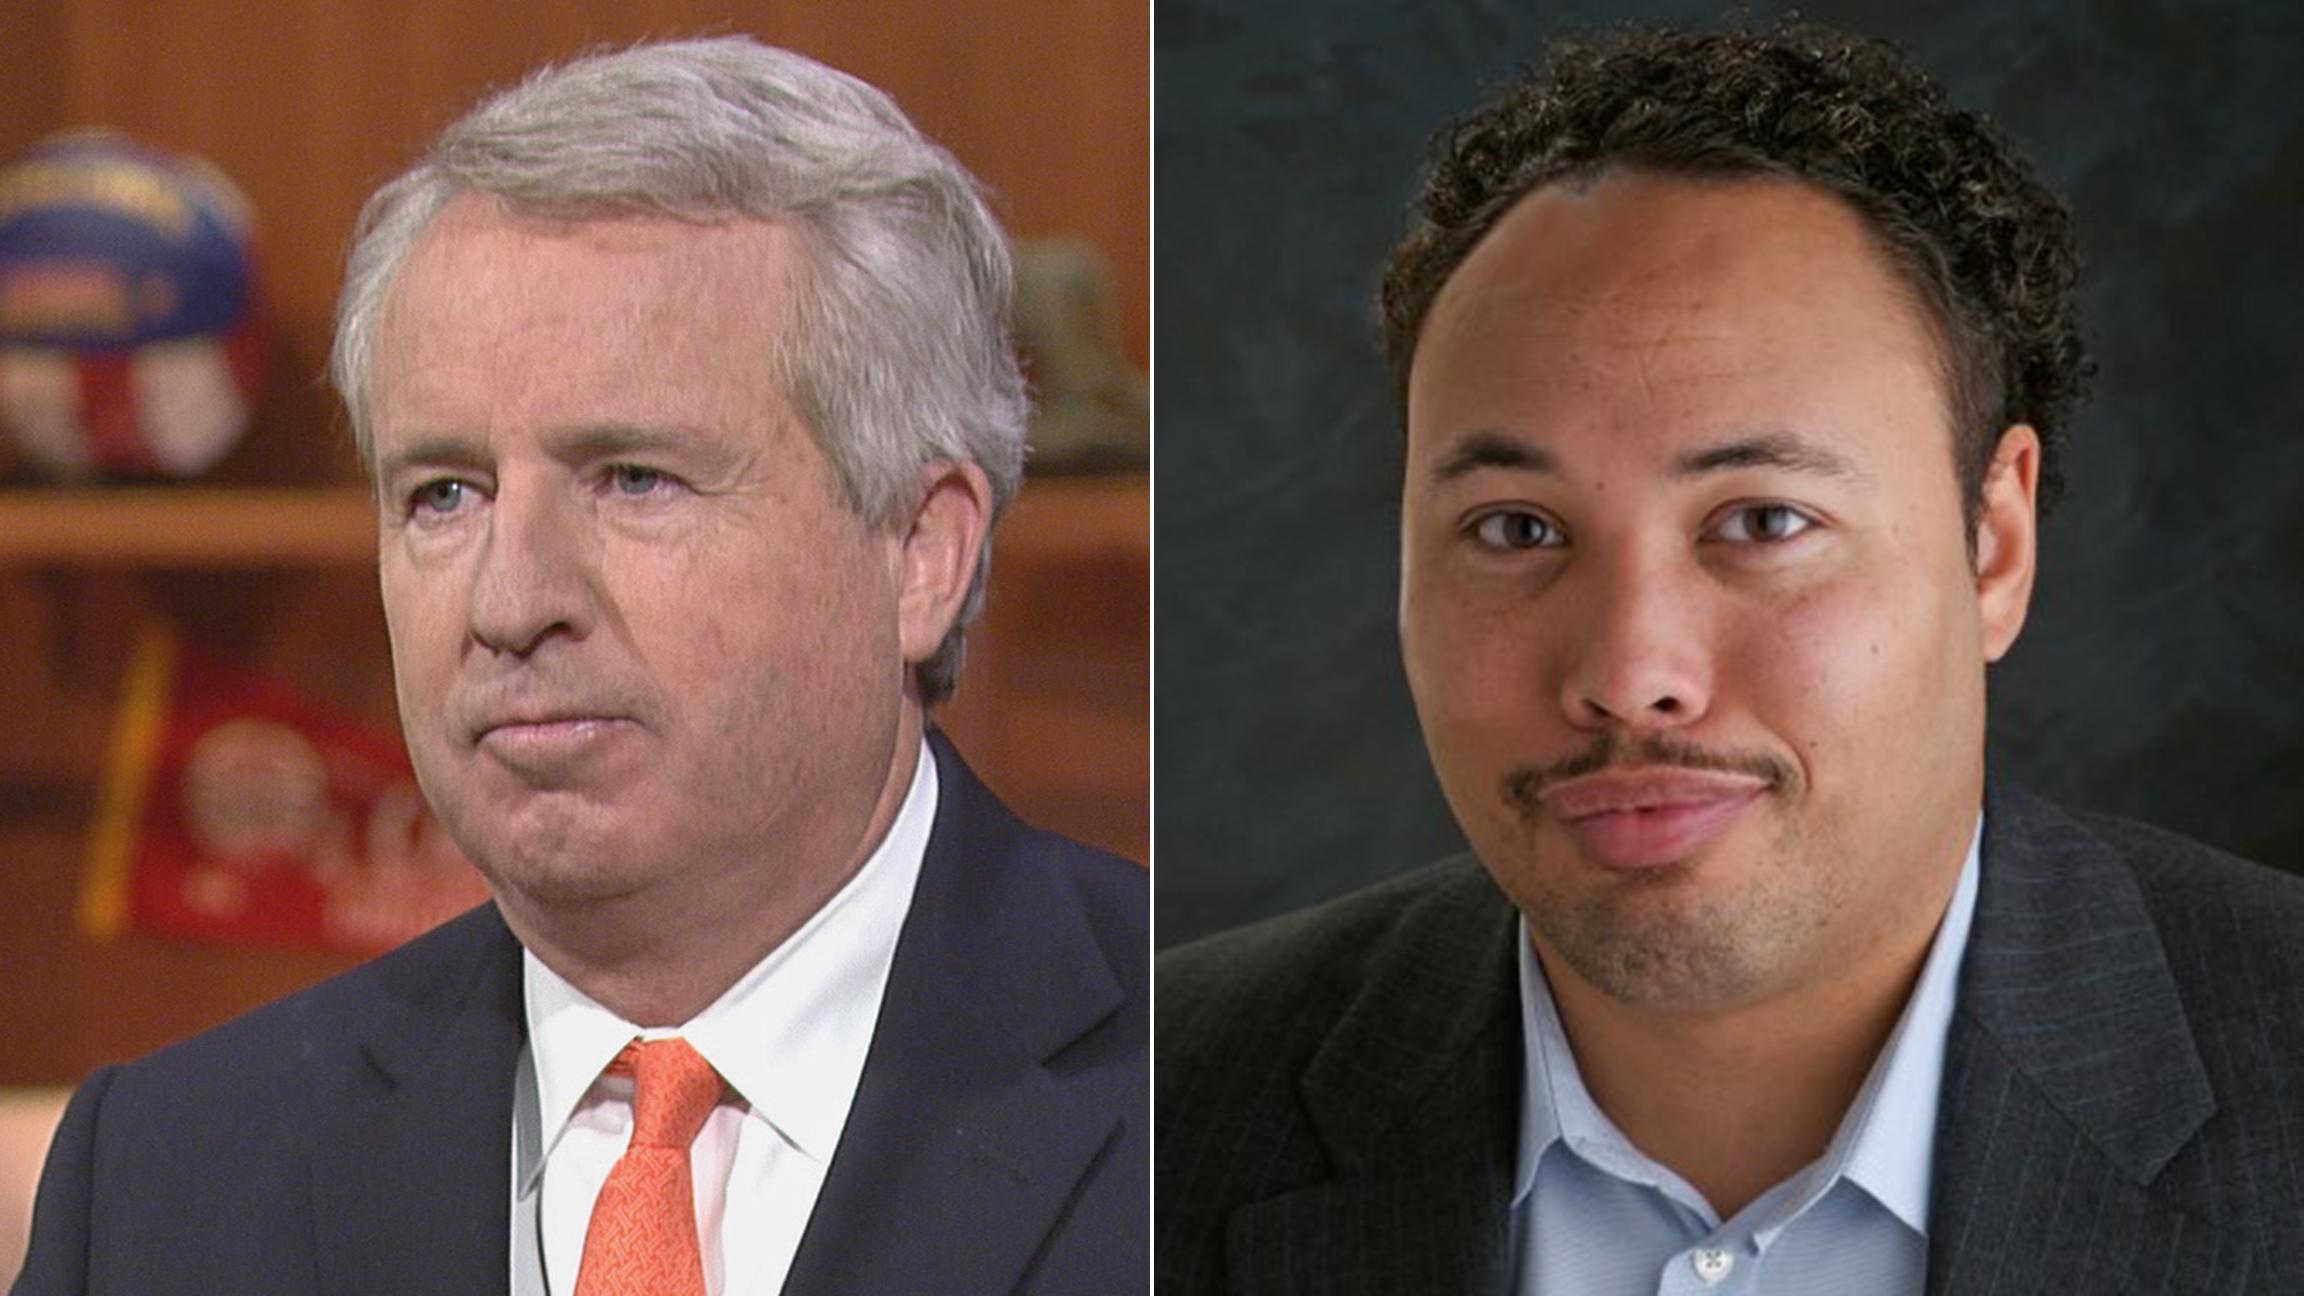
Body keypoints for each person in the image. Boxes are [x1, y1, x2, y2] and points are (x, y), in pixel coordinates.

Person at [1157, 22, 2304, 1295]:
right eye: (1517, 529)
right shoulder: (1149, 1112)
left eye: (1762, 522)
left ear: (1996, 544)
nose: (1631, 670)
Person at [16, 37, 1145, 1296]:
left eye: (634, 480)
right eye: (444, 493)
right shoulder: (163, 1180)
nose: (510, 602)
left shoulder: (1216, 1090)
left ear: (922, 552)